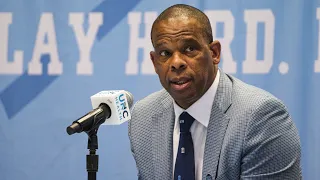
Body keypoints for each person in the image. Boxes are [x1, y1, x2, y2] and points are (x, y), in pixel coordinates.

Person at [128, 4, 301, 180]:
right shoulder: (143, 118)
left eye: (189, 49)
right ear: (154, 61)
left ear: (214, 53)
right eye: (165, 53)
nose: (176, 62)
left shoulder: (260, 117)